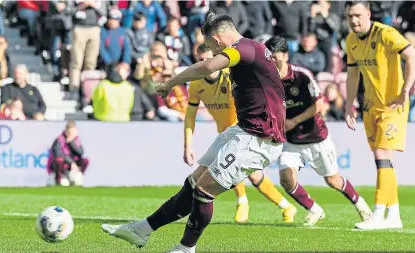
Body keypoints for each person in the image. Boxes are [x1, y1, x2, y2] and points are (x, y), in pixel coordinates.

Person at [102, 13, 286, 253]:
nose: (211, 51)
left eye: (210, 46)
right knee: (193, 184)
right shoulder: (251, 48)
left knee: (203, 191)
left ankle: (186, 248)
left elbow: (209, 65)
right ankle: (141, 229)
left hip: (258, 139)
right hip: (242, 131)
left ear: (218, 40)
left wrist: (171, 82)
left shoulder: (242, 49)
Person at [265, 36, 372, 227]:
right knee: (286, 180)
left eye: (274, 57)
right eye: (268, 58)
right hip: (291, 141)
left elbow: (320, 104)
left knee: (333, 180)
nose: (271, 62)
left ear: (285, 56)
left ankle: (362, 207)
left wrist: (294, 121)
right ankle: (315, 209)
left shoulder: (302, 75)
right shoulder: (267, 81)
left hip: (316, 138)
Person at [184, 43, 297, 224]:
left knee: (242, 171)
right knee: (253, 174)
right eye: (201, 60)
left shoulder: (229, 77)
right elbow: (190, 116)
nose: (206, 64)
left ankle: (243, 201)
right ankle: (285, 206)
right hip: (225, 133)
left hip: (244, 131)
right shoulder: (196, 85)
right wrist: (188, 145)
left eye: (209, 60)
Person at [344, 1, 415, 230]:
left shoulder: (386, 33)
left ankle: (377, 213)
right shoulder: (350, 40)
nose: (354, 20)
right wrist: (349, 105)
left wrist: (405, 91)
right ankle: (394, 214)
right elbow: (352, 75)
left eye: (358, 15)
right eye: (350, 16)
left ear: (368, 13)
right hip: (370, 107)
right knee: (385, 160)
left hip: (393, 106)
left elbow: (414, 58)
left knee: (381, 154)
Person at [47, 120, 89, 186]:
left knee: (85, 161)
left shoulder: (76, 141)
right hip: (62, 167)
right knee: (59, 160)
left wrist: (71, 143)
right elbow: (58, 154)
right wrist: (71, 162)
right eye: (70, 132)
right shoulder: (59, 140)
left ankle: (79, 175)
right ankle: (58, 179)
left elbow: (81, 153)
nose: (72, 134)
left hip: (72, 167)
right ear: (66, 132)